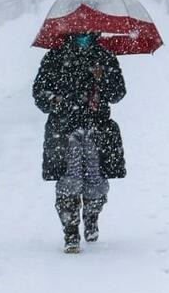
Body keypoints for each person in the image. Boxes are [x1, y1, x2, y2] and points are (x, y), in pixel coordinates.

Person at [32, 31, 127, 253]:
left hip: (97, 128)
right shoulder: (55, 56)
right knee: (68, 181)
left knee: (95, 179)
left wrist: (103, 77)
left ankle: (92, 216)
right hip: (64, 130)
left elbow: (118, 93)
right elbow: (39, 93)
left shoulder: (105, 56)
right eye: (78, 32)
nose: (83, 35)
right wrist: (54, 100)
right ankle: (71, 231)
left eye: (88, 32)